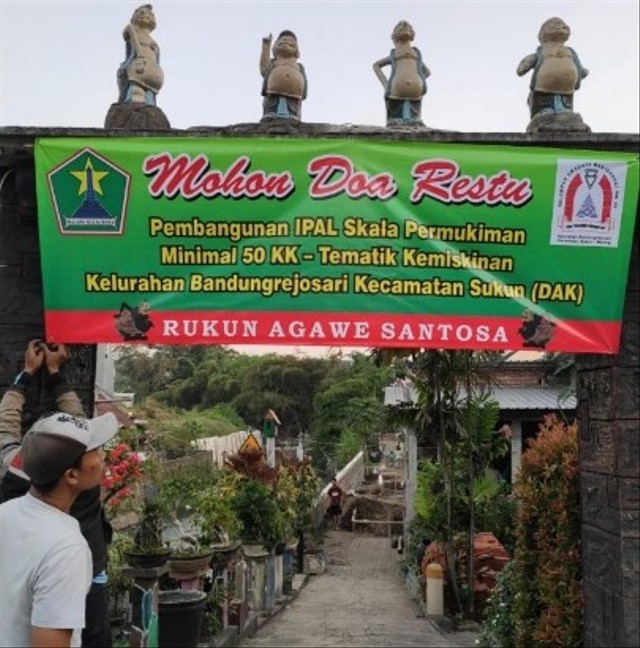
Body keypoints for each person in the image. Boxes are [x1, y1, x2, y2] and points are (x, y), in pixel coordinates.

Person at [0, 340, 114, 647]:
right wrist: (54, 373)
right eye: (96, 453)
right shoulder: (67, 547)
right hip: (80, 597)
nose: (102, 457)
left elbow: (6, 428)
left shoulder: (8, 502)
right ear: (72, 476)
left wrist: (27, 374)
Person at [373, 20, 431, 125]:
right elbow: (376, 65)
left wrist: (419, 80)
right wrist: (386, 84)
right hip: (396, 91)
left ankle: (413, 122)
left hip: (415, 92)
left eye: (408, 27)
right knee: (395, 113)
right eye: (401, 27)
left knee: (414, 117)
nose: (405, 26)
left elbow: (427, 72)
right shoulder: (395, 53)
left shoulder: (416, 53)